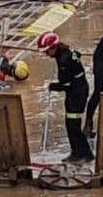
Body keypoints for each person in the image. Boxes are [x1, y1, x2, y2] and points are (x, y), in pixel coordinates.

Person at [36, 32, 92, 162]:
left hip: (76, 93)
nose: (45, 54)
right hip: (77, 89)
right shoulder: (65, 52)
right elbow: (78, 54)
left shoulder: (63, 59)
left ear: (53, 47)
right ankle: (77, 152)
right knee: (71, 123)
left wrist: (53, 86)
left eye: (46, 51)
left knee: (73, 125)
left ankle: (83, 153)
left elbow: (66, 84)